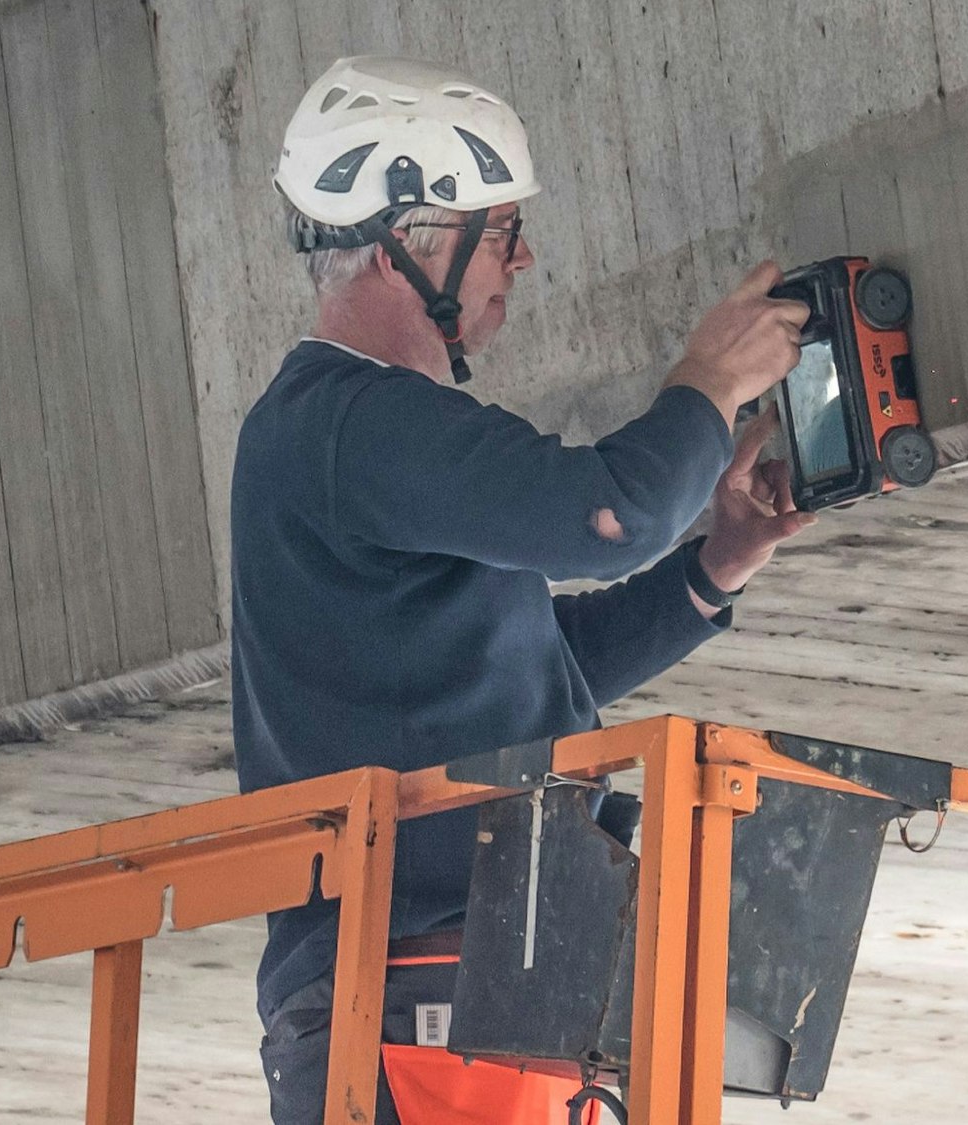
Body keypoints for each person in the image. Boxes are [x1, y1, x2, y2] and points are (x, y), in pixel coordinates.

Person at [231, 55, 814, 1123]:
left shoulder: (344, 435)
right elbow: (607, 517)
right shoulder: (350, 421)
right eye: (500, 232)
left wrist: (712, 568)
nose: (523, 259)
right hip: (413, 987)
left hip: (479, 984)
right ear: (412, 240)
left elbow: (535, 673)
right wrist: (708, 381)